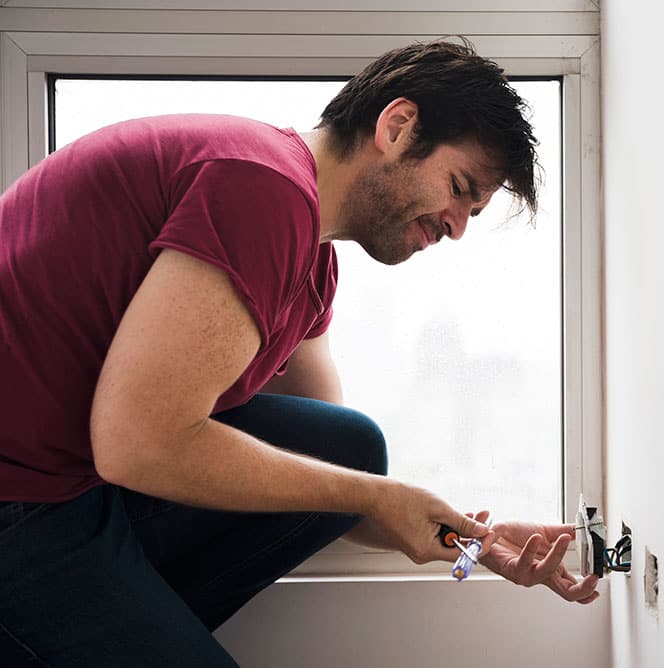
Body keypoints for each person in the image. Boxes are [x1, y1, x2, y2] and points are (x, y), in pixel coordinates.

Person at [0, 40, 599, 666]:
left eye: (472, 211)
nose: (457, 228)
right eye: (458, 187)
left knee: (349, 449)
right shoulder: (262, 187)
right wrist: (376, 497)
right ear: (396, 128)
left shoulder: (310, 262)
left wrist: (473, 541)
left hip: (77, 482)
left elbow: (327, 487)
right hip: (20, 492)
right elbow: (139, 441)